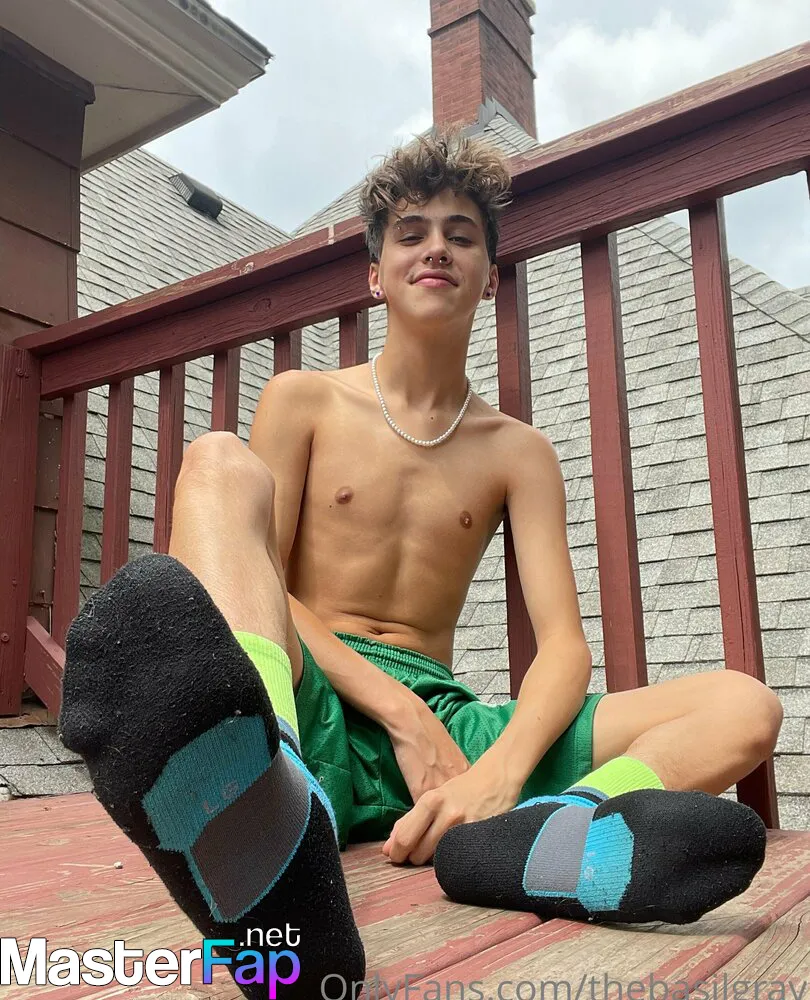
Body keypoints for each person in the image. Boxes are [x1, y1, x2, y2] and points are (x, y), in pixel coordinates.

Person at [58, 129, 782, 998]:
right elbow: (259, 582)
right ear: (376, 273)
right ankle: (266, 780)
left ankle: (531, 835)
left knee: (743, 706)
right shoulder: (305, 399)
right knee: (216, 462)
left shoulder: (518, 451)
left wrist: (495, 774)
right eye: (411, 233)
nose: (436, 247)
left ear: (489, 274)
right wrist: (399, 715)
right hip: (313, 689)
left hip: (450, 729)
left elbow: (564, 647)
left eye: (460, 235)